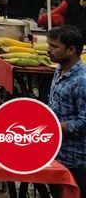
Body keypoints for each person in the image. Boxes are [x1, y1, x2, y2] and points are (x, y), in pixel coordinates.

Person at [46, 25, 86, 194]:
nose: (48, 50)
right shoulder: (59, 70)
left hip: (76, 160)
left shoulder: (82, 81)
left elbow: (84, 121)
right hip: (57, 153)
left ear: (71, 50)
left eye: (54, 47)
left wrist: (55, 126)